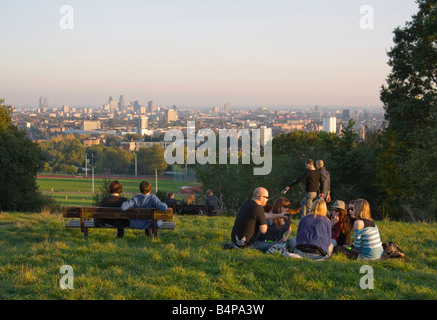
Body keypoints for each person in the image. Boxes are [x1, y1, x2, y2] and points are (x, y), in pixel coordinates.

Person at [230, 187, 290, 253]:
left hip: (234, 242)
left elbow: (265, 215)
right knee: (278, 243)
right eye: (266, 197)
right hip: (247, 245)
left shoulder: (247, 204)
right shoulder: (259, 208)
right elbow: (263, 230)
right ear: (261, 198)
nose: (267, 200)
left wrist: (279, 215)